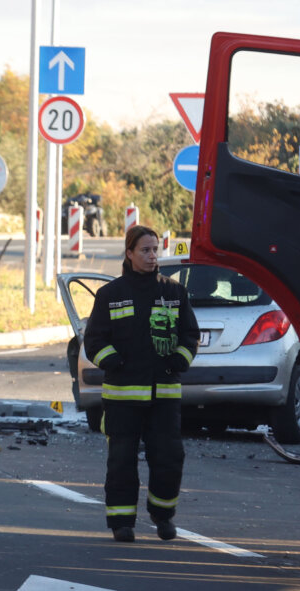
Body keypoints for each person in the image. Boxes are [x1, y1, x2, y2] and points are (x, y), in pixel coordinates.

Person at [83, 225, 199, 543]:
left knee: (169, 457)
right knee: (121, 460)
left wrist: (180, 359)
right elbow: (93, 340)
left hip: (164, 394)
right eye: (145, 250)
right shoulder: (111, 295)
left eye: (155, 249)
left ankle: (163, 516)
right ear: (129, 254)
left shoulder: (174, 292)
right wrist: (113, 362)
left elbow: (191, 335)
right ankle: (122, 522)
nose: (151, 256)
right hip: (121, 396)